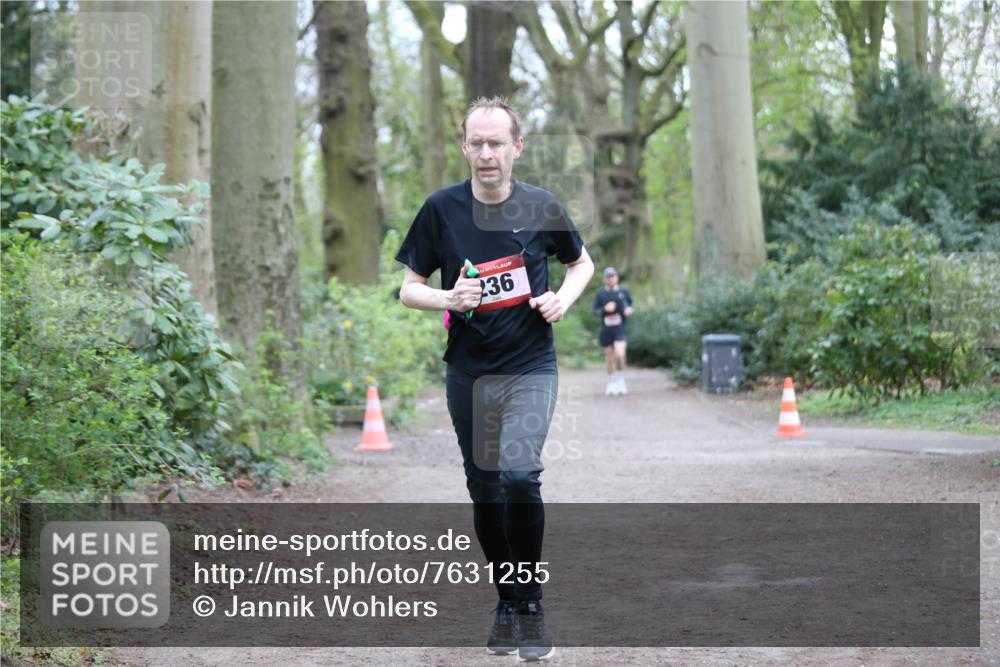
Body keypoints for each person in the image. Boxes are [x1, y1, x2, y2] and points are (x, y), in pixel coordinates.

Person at [396, 96, 594, 662]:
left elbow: (580, 263)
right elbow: (408, 287)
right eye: (476, 144)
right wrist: (447, 297)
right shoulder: (441, 209)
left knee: (519, 477)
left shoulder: (541, 206)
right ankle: (507, 601)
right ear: (465, 149)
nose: (486, 153)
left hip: (531, 365)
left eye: (496, 143)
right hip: (469, 372)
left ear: (516, 148)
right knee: (484, 490)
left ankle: (530, 609)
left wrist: (563, 298)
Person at [592, 266, 634, 395]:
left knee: (620, 354)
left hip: (620, 328)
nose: (611, 279)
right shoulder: (600, 293)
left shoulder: (624, 292)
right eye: (608, 277)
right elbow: (594, 310)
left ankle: (620, 380)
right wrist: (605, 309)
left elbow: (631, 304)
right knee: (609, 357)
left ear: (617, 278)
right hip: (606, 329)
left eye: (613, 276)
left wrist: (629, 310)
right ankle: (611, 382)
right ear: (605, 279)